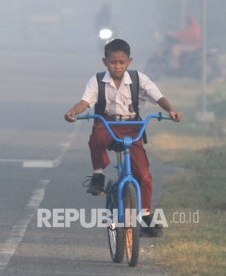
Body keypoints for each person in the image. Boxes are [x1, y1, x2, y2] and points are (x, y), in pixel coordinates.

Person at [64, 39, 183, 237]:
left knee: (144, 174)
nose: (117, 66)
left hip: (132, 126)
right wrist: (72, 112)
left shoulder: (138, 80)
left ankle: (145, 214)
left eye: (121, 62)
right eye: (112, 62)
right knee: (96, 139)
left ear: (129, 62)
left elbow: (157, 96)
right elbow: (85, 101)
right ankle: (98, 174)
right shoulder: (97, 80)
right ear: (105, 62)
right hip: (107, 123)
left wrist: (171, 110)